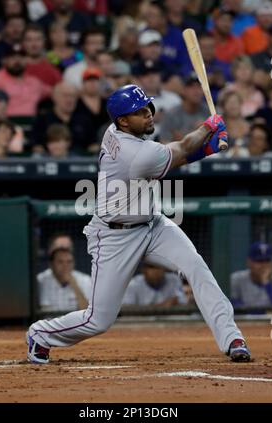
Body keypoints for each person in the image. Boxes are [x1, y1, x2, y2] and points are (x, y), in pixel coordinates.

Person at [27, 83, 251, 364]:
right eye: (139, 111)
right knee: (98, 319)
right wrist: (208, 128)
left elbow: (173, 156)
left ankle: (232, 338)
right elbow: (180, 149)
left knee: (196, 266)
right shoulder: (132, 153)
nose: (148, 115)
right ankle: (41, 334)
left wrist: (205, 148)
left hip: (152, 225)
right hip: (114, 236)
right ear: (122, 120)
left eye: (148, 108)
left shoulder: (116, 132)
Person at [37, 247, 91, 313]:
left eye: (69, 262)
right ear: (51, 264)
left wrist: (75, 286)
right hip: (49, 322)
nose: (65, 265)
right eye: (60, 262)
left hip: (74, 323)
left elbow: (88, 314)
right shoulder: (40, 281)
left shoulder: (85, 280)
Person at [230, 242, 272, 309]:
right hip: (242, 319)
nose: (264, 265)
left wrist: (267, 284)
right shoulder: (237, 279)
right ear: (249, 262)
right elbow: (232, 305)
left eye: (267, 260)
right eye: (259, 261)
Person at [122, 263, 187, 307]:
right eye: (152, 267)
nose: (155, 271)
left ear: (164, 268)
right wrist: (161, 307)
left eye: (158, 267)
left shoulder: (174, 280)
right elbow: (127, 310)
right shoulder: (133, 285)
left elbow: (183, 301)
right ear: (144, 270)